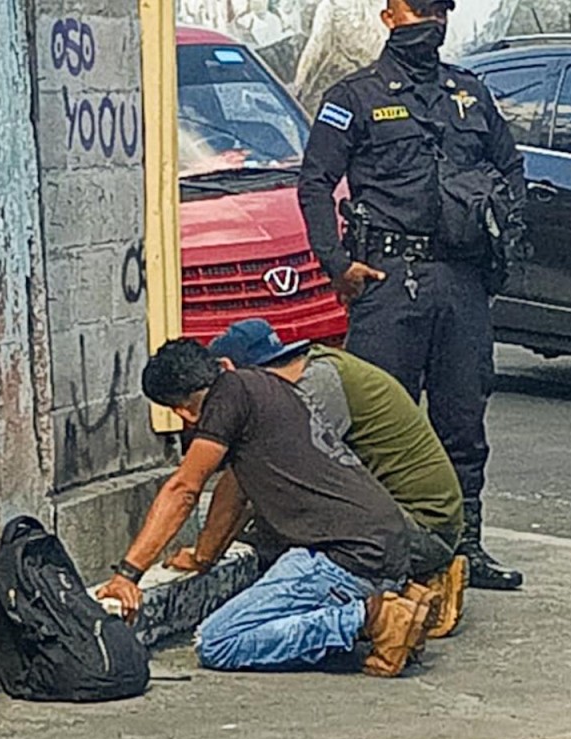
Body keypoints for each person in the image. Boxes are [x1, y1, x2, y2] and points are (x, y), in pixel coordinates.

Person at [297, 0, 527, 591]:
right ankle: (382, 545)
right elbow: (315, 182)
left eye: (435, 8)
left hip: (461, 281)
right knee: (380, 423)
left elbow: (511, 170)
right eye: (414, 8)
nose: (426, 19)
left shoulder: (470, 94)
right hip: (389, 281)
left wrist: (499, 243)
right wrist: (337, 264)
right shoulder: (354, 96)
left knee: (462, 421)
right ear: (386, 14)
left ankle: (464, 545)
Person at [96, 339, 439, 677]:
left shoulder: (224, 400)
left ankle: (373, 617)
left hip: (343, 557)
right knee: (274, 601)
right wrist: (203, 555)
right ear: (224, 364)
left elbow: (183, 489)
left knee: (219, 641)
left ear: (182, 412)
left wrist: (128, 575)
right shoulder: (264, 387)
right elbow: (235, 494)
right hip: (386, 546)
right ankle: (403, 600)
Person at [205, 318, 469, 637]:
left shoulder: (312, 388)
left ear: (230, 371)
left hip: (420, 532)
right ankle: (418, 587)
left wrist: (206, 553)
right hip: (420, 523)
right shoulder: (319, 366)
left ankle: (393, 603)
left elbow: (244, 488)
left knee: (277, 550)